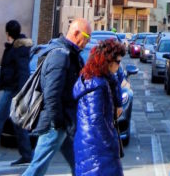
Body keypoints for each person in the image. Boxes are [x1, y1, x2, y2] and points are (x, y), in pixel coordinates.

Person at [23, 17, 92, 176]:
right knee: (37, 168)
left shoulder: (71, 54)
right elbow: (52, 93)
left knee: (81, 164)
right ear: (76, 33)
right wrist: (57, 122)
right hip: (56, 124)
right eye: (87, 37)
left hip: (65, 122)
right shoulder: (60, 55)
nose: (88, 42)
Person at [72, 39, 125, 176]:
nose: (119, 66)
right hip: (97, 148)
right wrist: (110, 144)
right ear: (107, 61)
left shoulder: (100, 80)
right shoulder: (97, 86)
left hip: (91, 145)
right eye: (118, 62)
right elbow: (96, 120)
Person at [0, 19, 34, 165]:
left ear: (8, 33)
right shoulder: (16, 47)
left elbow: (22, 71)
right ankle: (26, 155)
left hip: (13, 91)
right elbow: (10, 71)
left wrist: (20, 92)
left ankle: (27, 155)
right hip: (12, 89)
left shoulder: (17, 49)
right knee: (18, 125)